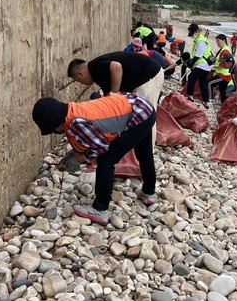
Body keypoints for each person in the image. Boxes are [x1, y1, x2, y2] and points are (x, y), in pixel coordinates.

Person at [32, 94, 157, 225]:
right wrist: (73, 154)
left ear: (57, 126)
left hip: (139, 115)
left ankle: (100, 209)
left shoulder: (75, 123)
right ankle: (149, 193)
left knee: (107, 160)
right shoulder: (72, 110)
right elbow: (91, 138)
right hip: (143, 107)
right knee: (144, 153)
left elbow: (102, 146)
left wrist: (81, 158)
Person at [67, 51, 164, 108]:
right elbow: (108, 97)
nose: (82, 83)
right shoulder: (97, 75)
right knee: (136, 115)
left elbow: (116, 67)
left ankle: (148, 143)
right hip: (141, 80)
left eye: (78, 81)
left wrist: (114, 93)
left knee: (144, 115)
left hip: (148, 75)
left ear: (81, 74)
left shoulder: (95, 66)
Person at [186, 23, 212, 109]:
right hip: (204, 65)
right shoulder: (199, 39)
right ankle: (206, 101)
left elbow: (198, 55)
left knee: (191, 77)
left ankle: (190, 96)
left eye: (192, 33)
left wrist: (191, 64)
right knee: (202, 83)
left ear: (196, 31)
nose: (192, 35)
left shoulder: (201, 41)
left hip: (202, 64)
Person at [207, 34, 234, 103]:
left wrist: (212, 67)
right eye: (216, 41)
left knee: (209, 83)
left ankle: (209, 100)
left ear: (223, 40)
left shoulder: (224, 51)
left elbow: (222, 65)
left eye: (218, 41)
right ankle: (224, 105)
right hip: (225, 75)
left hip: (223, 75)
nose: (217, 43)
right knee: (222, 93)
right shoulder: (224, 49)